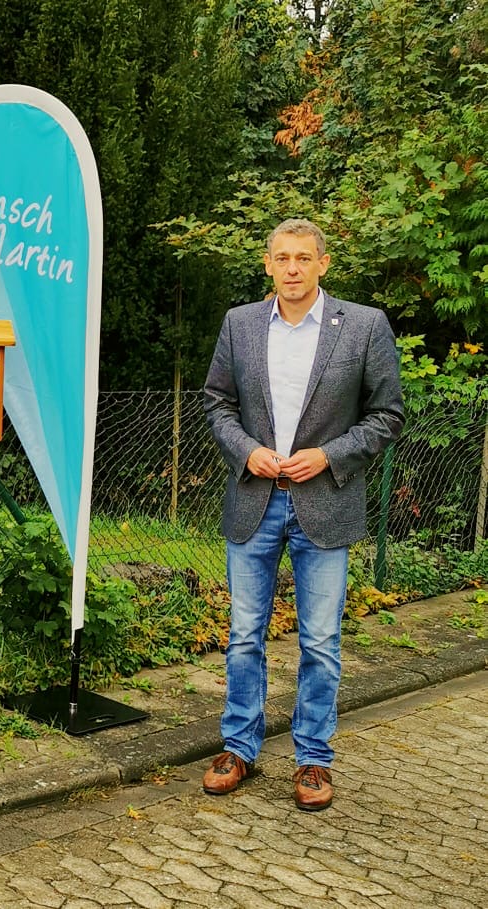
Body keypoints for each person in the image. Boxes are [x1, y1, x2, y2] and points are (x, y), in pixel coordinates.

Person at [201, 218, 404, 811]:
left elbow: (387, 414)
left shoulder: (364, 325)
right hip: (253, 500)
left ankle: (313, 761)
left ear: (323, 263)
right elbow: (217, 404)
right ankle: (239, 747)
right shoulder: (239, 324)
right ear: (268, 264)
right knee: (243, 637)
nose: (292, 268)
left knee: (320, 640)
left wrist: (328, 455)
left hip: (326, 502)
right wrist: (248, 452)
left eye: (302, 258)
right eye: (281, 258)